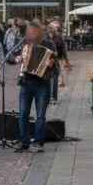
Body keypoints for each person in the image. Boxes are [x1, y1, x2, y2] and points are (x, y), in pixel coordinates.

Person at [15, 19, 55, 153]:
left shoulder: (49, 44)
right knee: (23, 114)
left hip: (42, 84)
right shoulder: (24, 44)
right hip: (26, 82)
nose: (33, 34)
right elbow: (14, 57)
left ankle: (38, 142)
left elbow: (55, 63)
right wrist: (18, 59)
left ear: (40, 33)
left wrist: (51, 63)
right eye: (31, 32)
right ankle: (24, 142)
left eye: (35, 32)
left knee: (40, 116)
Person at [47, 21, 69, 105]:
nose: (55, 28)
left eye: (57, 27)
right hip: (47, 62)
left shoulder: (59, 37)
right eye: (54, 27)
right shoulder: (46, 37)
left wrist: (66, 59)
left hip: (56, 61)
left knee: (54, 78)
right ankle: (49, 97)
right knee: (49, 79)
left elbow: (63, 49)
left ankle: (53, 97)